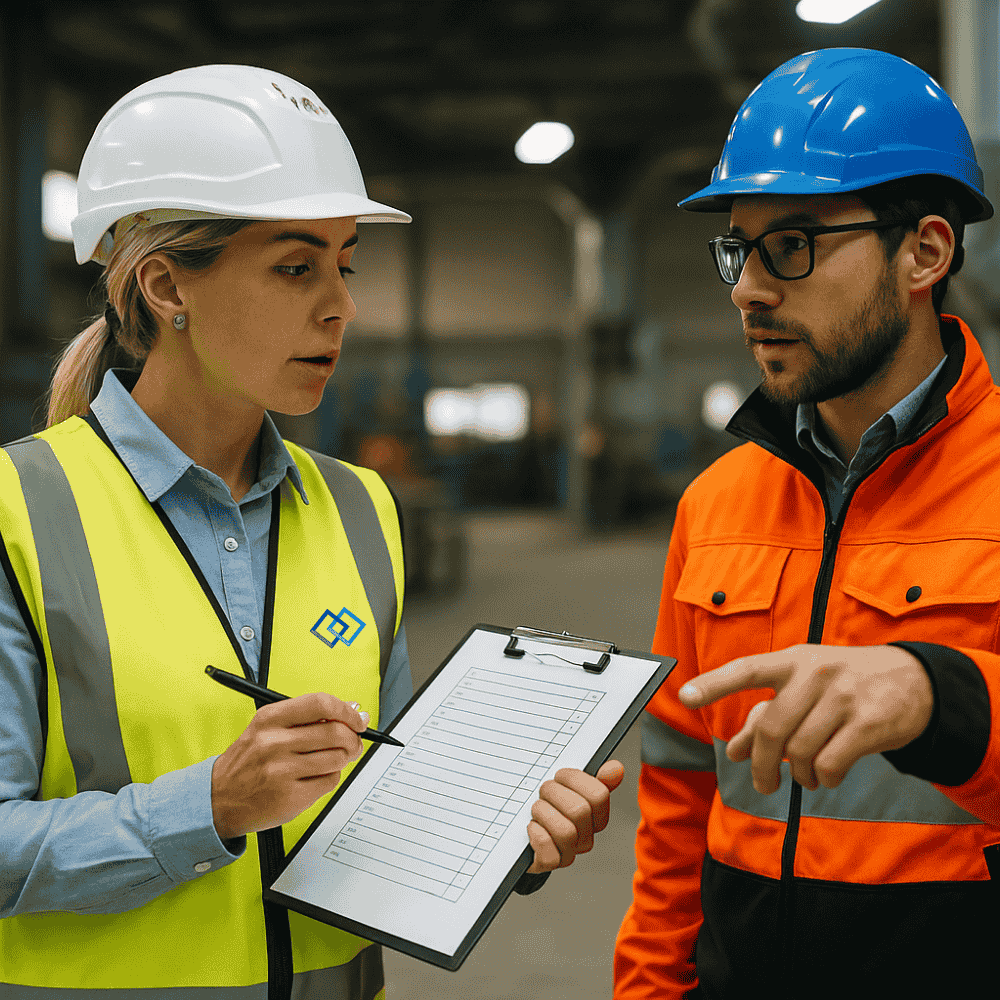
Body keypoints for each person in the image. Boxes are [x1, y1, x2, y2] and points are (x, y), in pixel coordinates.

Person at [0, 65, 624, 999]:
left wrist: (509, 835)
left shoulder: (362, 508)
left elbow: (383, 805)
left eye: (345, 263)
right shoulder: (20, 510)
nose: (340, 303)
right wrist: (207, 807)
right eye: (296, 267)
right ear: (169, 286)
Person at [613, 47, 1000, 999]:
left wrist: (938, 698)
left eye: (793, 244)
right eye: (738, 248)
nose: (749, 288)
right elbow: (676, 794)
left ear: (926, 252)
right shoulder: (718, 503)